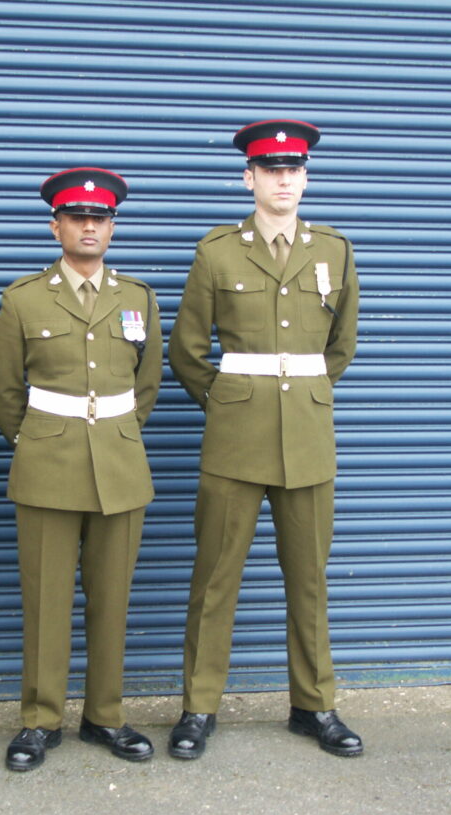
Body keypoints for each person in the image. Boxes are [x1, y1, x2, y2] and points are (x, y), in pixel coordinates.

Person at [167, 119, 363, 759]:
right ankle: (199, 707)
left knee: (309, 579)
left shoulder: (333, 250)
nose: (284, 180)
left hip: (307, 438)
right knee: (215, 576)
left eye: (294, 170)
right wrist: (232, 402)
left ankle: (314, 705)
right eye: (271, 170)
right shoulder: (218, 251)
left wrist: (300, 394)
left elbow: (340, 348)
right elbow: (188, 350)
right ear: (248, 177)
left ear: (305, 178)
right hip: (236, 439)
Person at [0, 168, 161, 771]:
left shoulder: (136, 297)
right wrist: (38, 439)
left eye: (101, 218)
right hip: (47, 466)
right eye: (78, 217)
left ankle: (105, 716)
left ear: (111, 227)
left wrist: (113, 432)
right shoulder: (25, 298)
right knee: (46, 599)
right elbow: (1, 389)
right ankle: (40, 720)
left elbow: (148, 384)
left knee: (112, 598)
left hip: (119, 464)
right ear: (55, 224)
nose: (90, 226)